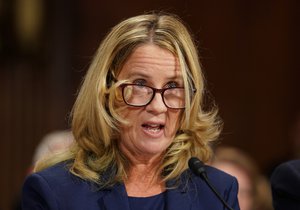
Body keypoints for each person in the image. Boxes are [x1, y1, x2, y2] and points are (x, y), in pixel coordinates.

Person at [21, 12, 240, 210]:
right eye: (140, 85)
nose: (158, 106)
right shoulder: (55, 192)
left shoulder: (216, 193)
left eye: (173, 86)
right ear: (106, 93)